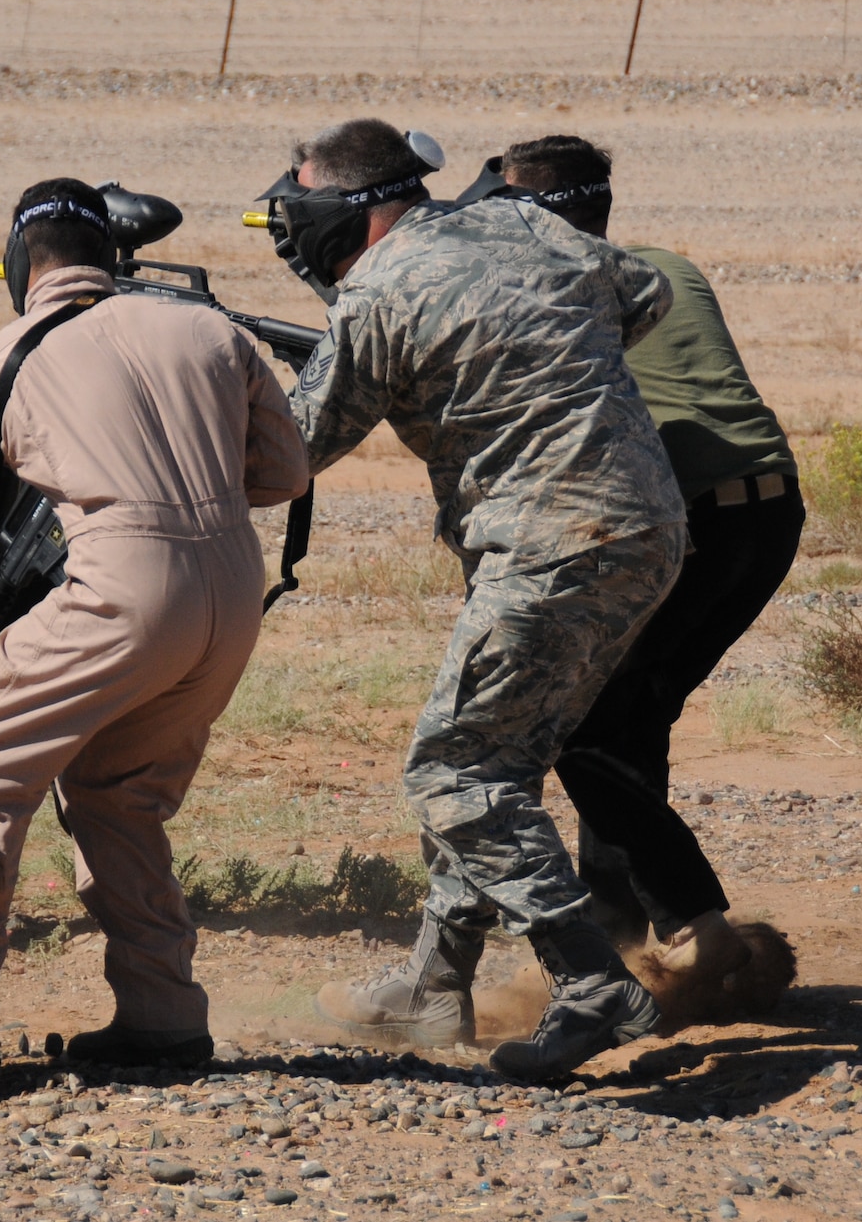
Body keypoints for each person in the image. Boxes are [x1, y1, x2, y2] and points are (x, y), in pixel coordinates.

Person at [0, 177, 309, 1088]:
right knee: (118, 793)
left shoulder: (5, 358)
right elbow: (285, 470)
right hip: (233, 585)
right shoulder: (209, 328)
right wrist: (188, 498)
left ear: (24, 266)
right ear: (108, 257)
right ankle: (163, 1017)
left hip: (125, 584)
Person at [272, 119, 687, 1083]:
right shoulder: (534, 231)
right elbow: (647, 292)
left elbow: (292, 455)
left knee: (454, 771)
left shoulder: (375, 290)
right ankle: (433, 983)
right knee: (503, 755)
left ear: (343, 210)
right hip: (648, 529)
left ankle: (591, 982)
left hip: (550, 542)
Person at [477, 135, 803, 992]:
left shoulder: (561, 285)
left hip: (691, 524)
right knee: (628, 714)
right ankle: (623, 934)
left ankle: (695, 925)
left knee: (582, 726)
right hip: (769, 512)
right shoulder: (665, 268)